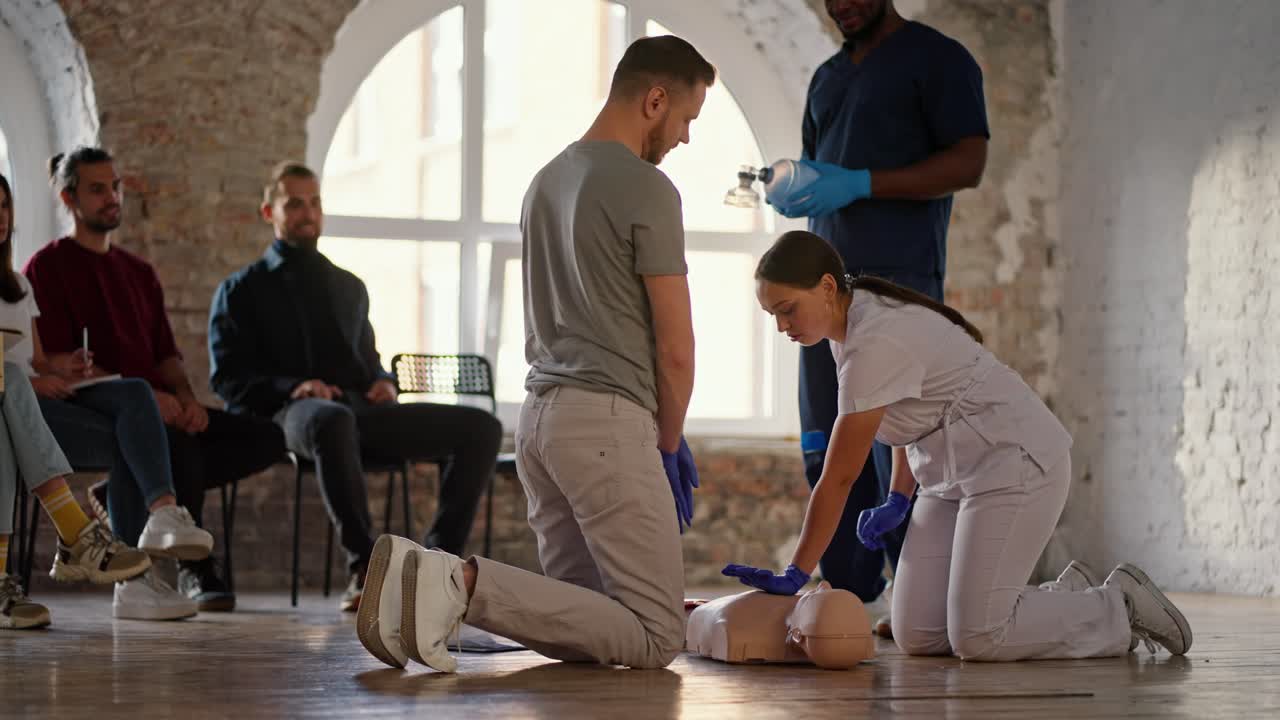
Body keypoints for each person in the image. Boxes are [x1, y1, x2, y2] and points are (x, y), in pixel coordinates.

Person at [354, 35, 708, 672]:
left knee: (581, 615)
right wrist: (669, 440)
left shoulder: (545, 180)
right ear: (655, 100)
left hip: (542, 421)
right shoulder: (648, 188)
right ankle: (452, 582)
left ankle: (428, 586)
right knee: (657, 636)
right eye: (686, 119)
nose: (684, 138)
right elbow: (676, 347)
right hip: (607, 424)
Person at [723, 231, 1192, 660]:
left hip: (1015, 463)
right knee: (919, 635)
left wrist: (796, 572)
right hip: (949, 478)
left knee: (978, 636)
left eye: (787, 309)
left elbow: (839, 477)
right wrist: (898, 496)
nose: (782, 325)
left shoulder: (874, 336)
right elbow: (906, 412)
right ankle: (1068, 597)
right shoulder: (845, 327)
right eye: (773, 315)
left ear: (827, 287)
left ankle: (1118, 605)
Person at [208, 161, 504, 612]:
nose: (309, 212)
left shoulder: (349, 286)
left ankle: (436, 563)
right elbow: (228, 378)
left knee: (480, 426)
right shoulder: (240, 291)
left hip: (359, 412)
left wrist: (384, 383)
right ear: (269, 212)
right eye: (295, 204)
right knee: (331, 419)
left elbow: (369, 362)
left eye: (315, 203)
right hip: (291, 415)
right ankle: (365, 569)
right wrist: (296, 388)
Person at [778, 0, 991, 622]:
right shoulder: (826, 78)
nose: (840, 5)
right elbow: (819, 169)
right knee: (825, 446)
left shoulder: (939, 60)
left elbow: (968, 164)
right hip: (823, 294)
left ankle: (916, 604)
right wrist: (801, 190)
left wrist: (862, 183)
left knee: (899, 451)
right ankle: (846, 602)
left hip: (898, 283)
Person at [23, 148, 285, 613]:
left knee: (266, 436)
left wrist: (186, 399)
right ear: (69, 198)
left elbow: (166, 354)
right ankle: (190, 565)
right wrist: (151, 399)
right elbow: (58, 363)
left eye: (116, 186)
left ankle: (145, 498)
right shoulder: (46, 268)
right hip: (96, 405)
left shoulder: (139, 272)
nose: (113, 197)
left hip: (155, 403)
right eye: (98, 189)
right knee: (165, 438)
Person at [0, 172, 152, 627]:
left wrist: (64, 368)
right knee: (9, 380)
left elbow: (38, 360)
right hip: (16, 392)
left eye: (4, 206)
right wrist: (27, 379)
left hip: (11, 400)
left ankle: (2, 583)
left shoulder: (16, 286)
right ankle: (75, 532)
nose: (0, 217)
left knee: (7, 400)